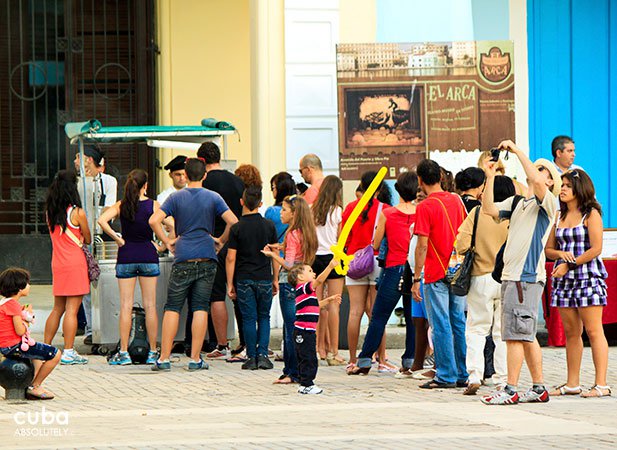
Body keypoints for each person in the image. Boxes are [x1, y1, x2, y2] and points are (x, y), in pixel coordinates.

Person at [480, 140, 561, 405]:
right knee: (524, 336)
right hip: (513, 277)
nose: (535, 173)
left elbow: (535, 181)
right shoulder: (518, 203)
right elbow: (489, 209)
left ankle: (511, 388)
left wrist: (516, 151)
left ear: (550, 183)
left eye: (543, 171)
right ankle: (538, 388)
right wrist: (490, 177)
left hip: (524, 278)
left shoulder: (547, 204)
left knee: (515, 335)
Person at [149, 157, 238, 371]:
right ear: (205, 175)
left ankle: (164, 359)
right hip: (207, 256)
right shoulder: (213, 197)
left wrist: (168, 241)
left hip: (183, 257)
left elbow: (153, 220)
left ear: (186, 175)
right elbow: (233, 221)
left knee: (173, 307)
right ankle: (195, 358)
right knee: (200, 307)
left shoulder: (175, 197)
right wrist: (220, 240)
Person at [545, 169, 610, 398]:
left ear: (579, 189)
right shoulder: (558, 216)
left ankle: (601, 383)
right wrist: (562, 256)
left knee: (593, 330)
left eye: (567, 186)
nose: (562, 189)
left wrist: (570, 263)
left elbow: (596, 248)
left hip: (587, 278)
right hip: (564, 280)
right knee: (571, 332)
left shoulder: (590, 214)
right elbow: (549, 249)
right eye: (561, 185)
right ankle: (572, 383)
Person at [348, 172, 418, 375]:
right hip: (414, 270)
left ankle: (364, 359)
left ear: (397, 189)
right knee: (413, 317)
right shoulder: (421, 212)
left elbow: (376, 243)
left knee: (379, 316)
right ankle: (410, 359)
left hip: (393, 269)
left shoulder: (388, 214)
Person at [98, 169, 168, 365]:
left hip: (126, 255)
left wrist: (117, 238)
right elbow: (171, 222)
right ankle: (153, 351)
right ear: (145, 186)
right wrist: (163, 244)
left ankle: (124, 353)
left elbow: (101, 220)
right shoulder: (154, 205)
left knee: (126, 306)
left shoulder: (121, 205)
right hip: (148, 254)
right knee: (151, 306)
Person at [411, 159, 468, 389]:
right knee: (458, 322)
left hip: (436, 271)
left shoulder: (424, 207)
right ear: (442, 177)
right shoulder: (456, 200)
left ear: (420, 180)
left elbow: (422, 245)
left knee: (441, 324)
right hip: (457, 268)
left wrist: (416, 278)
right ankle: (463, 372)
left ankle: (445, 374)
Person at [456, 176, 515, 394]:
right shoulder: (514, 215)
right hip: (507, 277)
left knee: (476, 329)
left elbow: (461, 243)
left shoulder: (478, 213)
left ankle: (474, 374)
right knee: (502, 333)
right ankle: (502, 378)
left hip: (480, 277)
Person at [261, 195, 318, 384]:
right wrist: (278, 246)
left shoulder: (292, 233)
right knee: (299, 326)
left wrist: (272, 254)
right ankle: (298, 370)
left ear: (294, 214)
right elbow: (294, 250)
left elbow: (289, 264)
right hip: (304, 278)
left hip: (290, 281)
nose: (281, 213)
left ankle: (291, 372)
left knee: (290, 329)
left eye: (284, 210)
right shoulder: (307, 231)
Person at [198, 142, 245, 359]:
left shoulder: (203, 183)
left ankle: (222, 344)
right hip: (239, 243)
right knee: (239, 294)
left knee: (216, 296)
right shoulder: (237, 181)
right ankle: (245, 342)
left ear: (202, 161)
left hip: (213, 244)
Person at [226, 185, 278, 370]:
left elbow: (231, 257)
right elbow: (274, 254)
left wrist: (230, 283)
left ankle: (251, 356)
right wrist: (275, 278)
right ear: (261, 203)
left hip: (244, 278)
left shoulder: (237, 228)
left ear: (242, 202)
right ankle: (263, 355)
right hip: (264, 277)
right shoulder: (269, 226)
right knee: (264, 316)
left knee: (248, 318)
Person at [342, 171, 390, 371]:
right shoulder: (385, 209)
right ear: (379, 189)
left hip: (354, 261)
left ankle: (353, 359)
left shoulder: (351, 208)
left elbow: (342, 237)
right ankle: (381, 359)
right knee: (376, 312)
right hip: (377, 259)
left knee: (355, 311)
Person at [43, 170, 91, 365]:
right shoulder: (77, 213)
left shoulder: (50, 213)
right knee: (72, 310)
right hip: (75, 264)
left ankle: (45, 347)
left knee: (57, 308)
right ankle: (69, 351)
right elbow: (87, 238)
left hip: (58, 263)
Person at [74, 146, 117, 345]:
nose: (75, 161)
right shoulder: (78, 183)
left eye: (78, 157)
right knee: (85, 287)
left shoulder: (108, 181)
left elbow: (109, 208)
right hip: (81, 239)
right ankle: (91, 329)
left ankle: (106, 327)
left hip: (99, 238)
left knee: (101, 283)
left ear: (88, 159)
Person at [0, 268, 61, 400]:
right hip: (14, 346)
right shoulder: (13, 305)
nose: (29, 286)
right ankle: (36, 386)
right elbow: (20, 331)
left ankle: (30, 386)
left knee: (37, 359)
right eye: (27, 283)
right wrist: (28, 317)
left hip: (6, 346)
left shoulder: (4, 303)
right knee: (55, 354)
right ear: (19, 287)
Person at [286, 261, 342, 394]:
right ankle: (307, 384)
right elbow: (320, 280)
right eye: (310, 271)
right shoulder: (304, 287)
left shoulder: (305, 292)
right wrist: (329, 266)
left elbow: (314, 305)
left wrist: (328, 300)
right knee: (309, 358)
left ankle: (304, 384)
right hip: (303, 331)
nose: (314, 274)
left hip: (307, 331)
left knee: (307, 357)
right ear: (300, 277)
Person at [311, 175, 345, 365]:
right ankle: (333, 352)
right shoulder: (337, 211)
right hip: (333, 258)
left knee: (315, 304)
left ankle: (317, 348)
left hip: (315, 257)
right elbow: (340, 238)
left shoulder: (312, 210)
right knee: (335, 304)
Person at [265, 172, 296, 246]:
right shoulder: (300, 210)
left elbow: (265, 235)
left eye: (273, 187)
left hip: (275, 252)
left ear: (280, 189)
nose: (272, 190)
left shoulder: (272, 211)